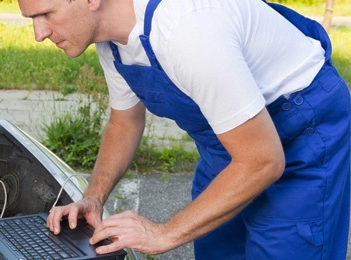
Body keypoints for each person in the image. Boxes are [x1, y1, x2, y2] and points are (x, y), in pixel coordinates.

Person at [17, 0, 350, 258]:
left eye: (46, 13)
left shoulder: (185, 31)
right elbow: (124, 123)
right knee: (218, 246)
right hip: (229, 145)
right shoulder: (113, 42)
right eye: (32, 19)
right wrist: (93, 197)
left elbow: (263, 161)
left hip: (301, 132)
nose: (39, 33)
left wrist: (163, 233)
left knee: (285, 245)